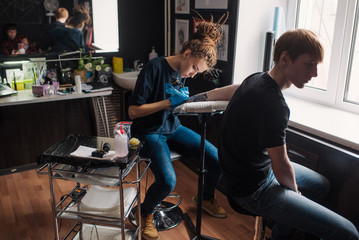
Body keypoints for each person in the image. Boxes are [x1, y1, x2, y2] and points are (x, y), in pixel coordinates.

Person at [219, 29, 359, 240]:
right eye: (309, 64)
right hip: (253, 190)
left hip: (246, 176)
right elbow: (282, 166)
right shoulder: (275, 104)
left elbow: (233, 90)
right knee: (348, 233)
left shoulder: (256, 78)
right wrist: (294, 193)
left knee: (321, 185)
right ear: (284, 58)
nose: (314, 74)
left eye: (316, 66)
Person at [128, 12, 229, 240]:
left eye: (198, 72)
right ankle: (146, 211)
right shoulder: (154, 68)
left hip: (172, 127)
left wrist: (199, 105)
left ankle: (205, 197)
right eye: (194, 67)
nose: (192, 75)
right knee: (168, 180)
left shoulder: (181, 72)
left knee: (218, 159)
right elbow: (133, 112)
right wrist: (167, 102)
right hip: (149, 132)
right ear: (186, 54)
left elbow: (176, 104)